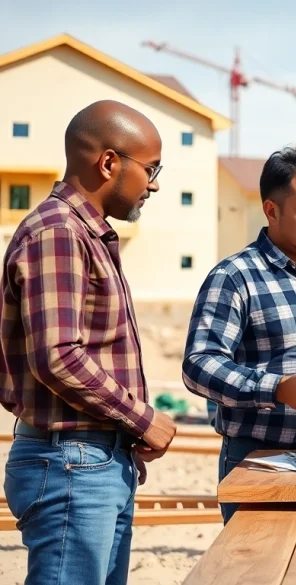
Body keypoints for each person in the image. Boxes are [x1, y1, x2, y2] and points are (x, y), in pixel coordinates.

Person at [1, 100, 178, 585]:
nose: (156, 184)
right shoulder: (58, 232)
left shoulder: (85, 234)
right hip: (72, 464)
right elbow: (58, 356)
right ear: (108, 163)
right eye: (152, 169)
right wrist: (143, 419)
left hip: (94, 459)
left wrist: (123, 437)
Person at [182, 148, 296, 524]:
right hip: (262, 460)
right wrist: (277, 388)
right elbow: (199, 365)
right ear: (271, 210)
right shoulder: (235, 277)